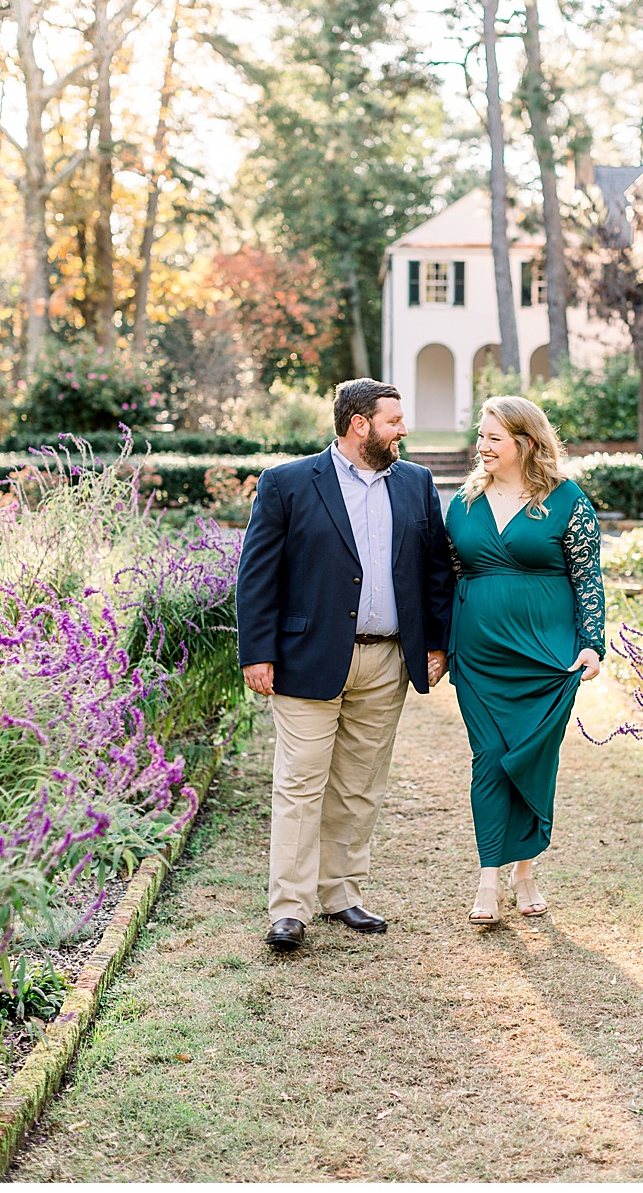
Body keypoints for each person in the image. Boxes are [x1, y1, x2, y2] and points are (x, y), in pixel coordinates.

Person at [235, 379, 456, 953]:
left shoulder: (416, 483)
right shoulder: (287, 483)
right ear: (360, 424)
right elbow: (258, 575)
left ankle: (342, 895)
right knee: (301, 785)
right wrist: (256, 652)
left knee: (360, 786)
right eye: (393, 421)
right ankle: (289, 909)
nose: (402, 430)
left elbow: (435, 571)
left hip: (386, 661)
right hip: (305, 660)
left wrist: (435, 644)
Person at [445, 396, 604, 925]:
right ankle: (489, 876)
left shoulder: (566, 500)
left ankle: (525, 870)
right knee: (488, 756)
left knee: (533, 756)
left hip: (545, 655)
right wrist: (438, 648)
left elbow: (587, 577)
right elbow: (445, 578)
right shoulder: (463, 503)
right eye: (481, 436)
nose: (482, 446)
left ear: (526, 442)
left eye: (494, 438)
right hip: (479, 652)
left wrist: (592, 642)